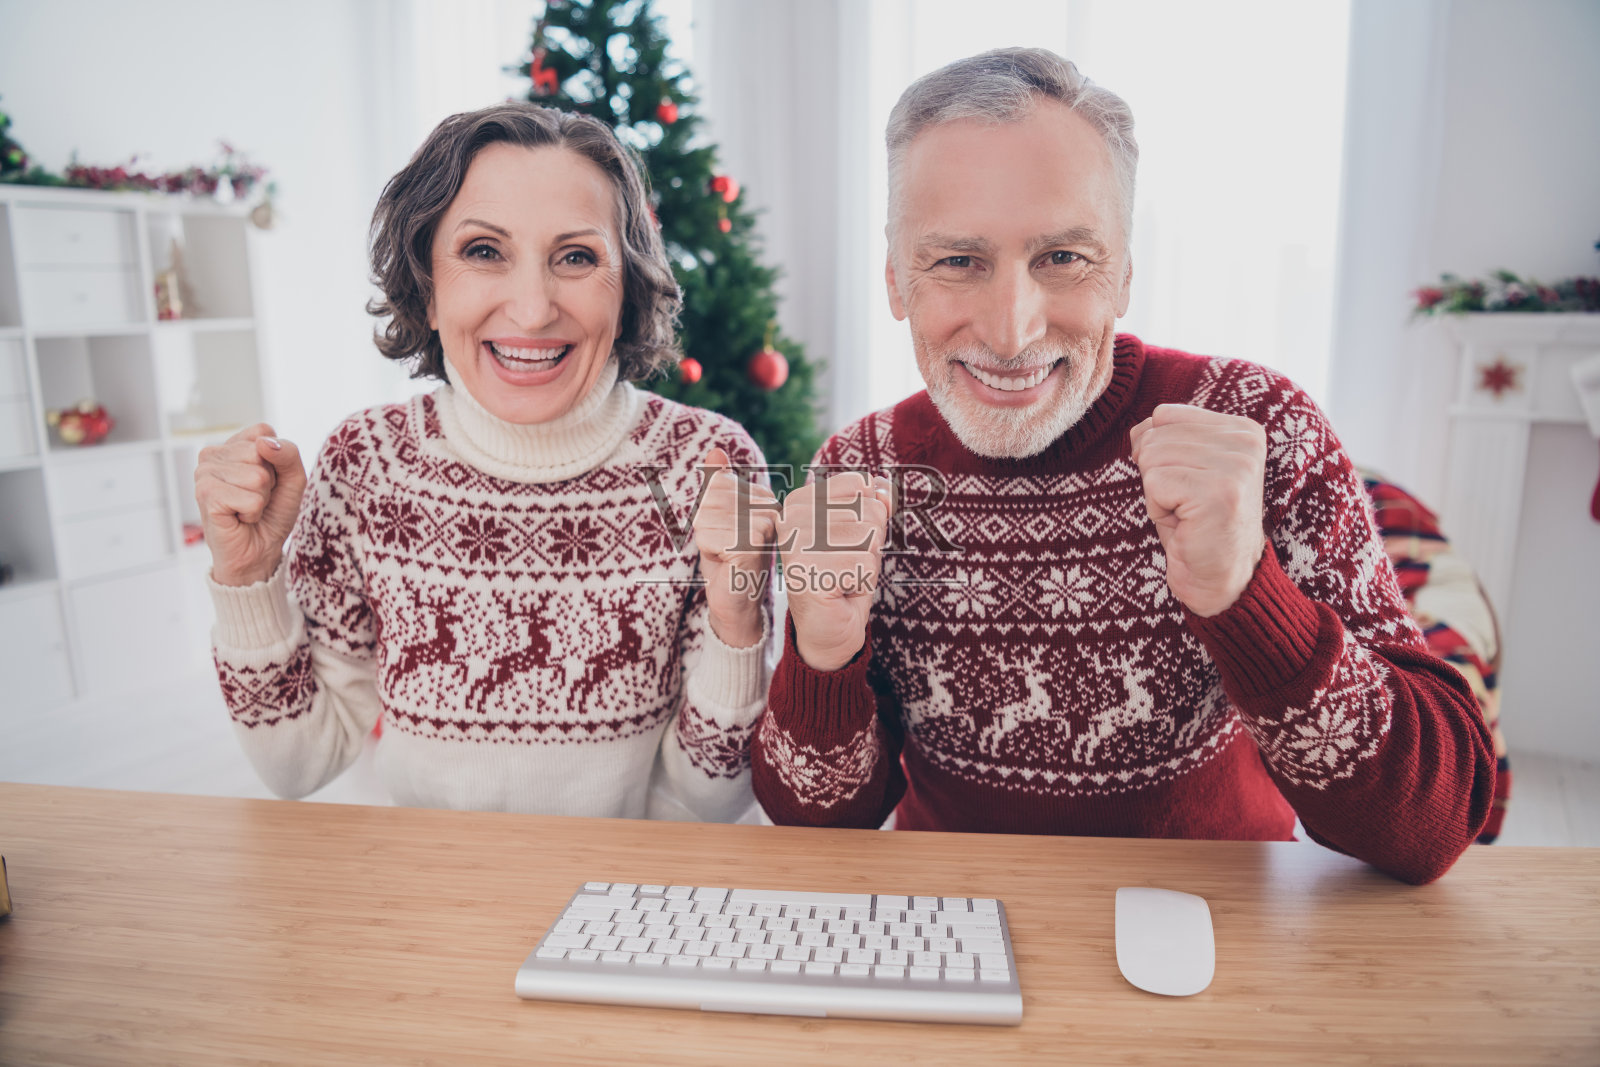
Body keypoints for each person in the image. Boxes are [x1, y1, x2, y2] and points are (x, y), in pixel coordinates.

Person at [750, 48, 1495, 884]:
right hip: (953, 935)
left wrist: (1245, 594)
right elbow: (819, 820)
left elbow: (1435, 823)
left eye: (1063, 258)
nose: (1011, 329)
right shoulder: (861, 467)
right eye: (958, 260)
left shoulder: (1259, 429)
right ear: (897, 280)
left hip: (1218, 944)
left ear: (1126, 273)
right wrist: (823, 648)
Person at [197, 103, 777, 819]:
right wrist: (248, 577)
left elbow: (712, 800)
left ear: (626, 286)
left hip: (630, 892)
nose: (532, 311)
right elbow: (299, 764)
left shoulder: (707, 466)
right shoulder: (368, 463)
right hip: (435, 886)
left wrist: (737, 622)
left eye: (576, 257)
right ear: (428, 287)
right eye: (482, 251)